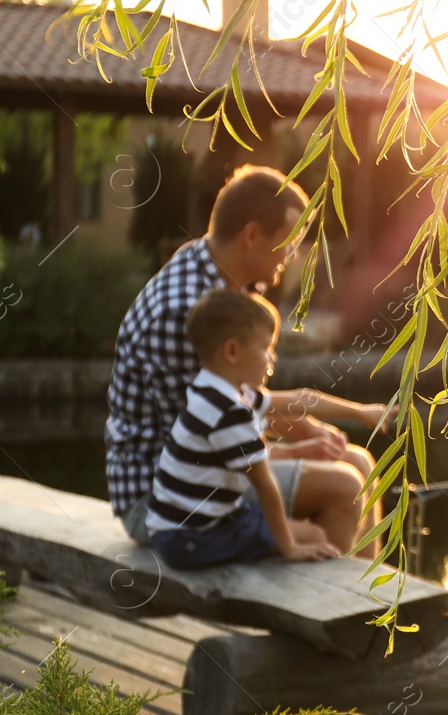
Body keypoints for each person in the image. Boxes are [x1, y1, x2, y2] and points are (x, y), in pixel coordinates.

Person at [107, 164, 389, 554]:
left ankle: (358, 607)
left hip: (203, 473)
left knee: (357, 462)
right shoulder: (183, 314)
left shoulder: (220, 278)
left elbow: (239, 402)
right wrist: (294, 450)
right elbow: (204, 439)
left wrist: (305, 430)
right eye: (288, 243)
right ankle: (328, 609)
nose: (292, 256)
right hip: (165, 499)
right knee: (345, 487)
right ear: (252, 236)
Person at [146, 290, 342, 567]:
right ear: (232, 351)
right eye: (266, 347)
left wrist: (361, 413)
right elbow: (265, 485)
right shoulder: (229, 411)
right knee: (314, 536)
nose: (272, 358)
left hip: (176, 527)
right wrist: (288, 548)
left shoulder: (214, 387)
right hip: (191, 538)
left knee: (304, 531)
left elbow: (300, 399)